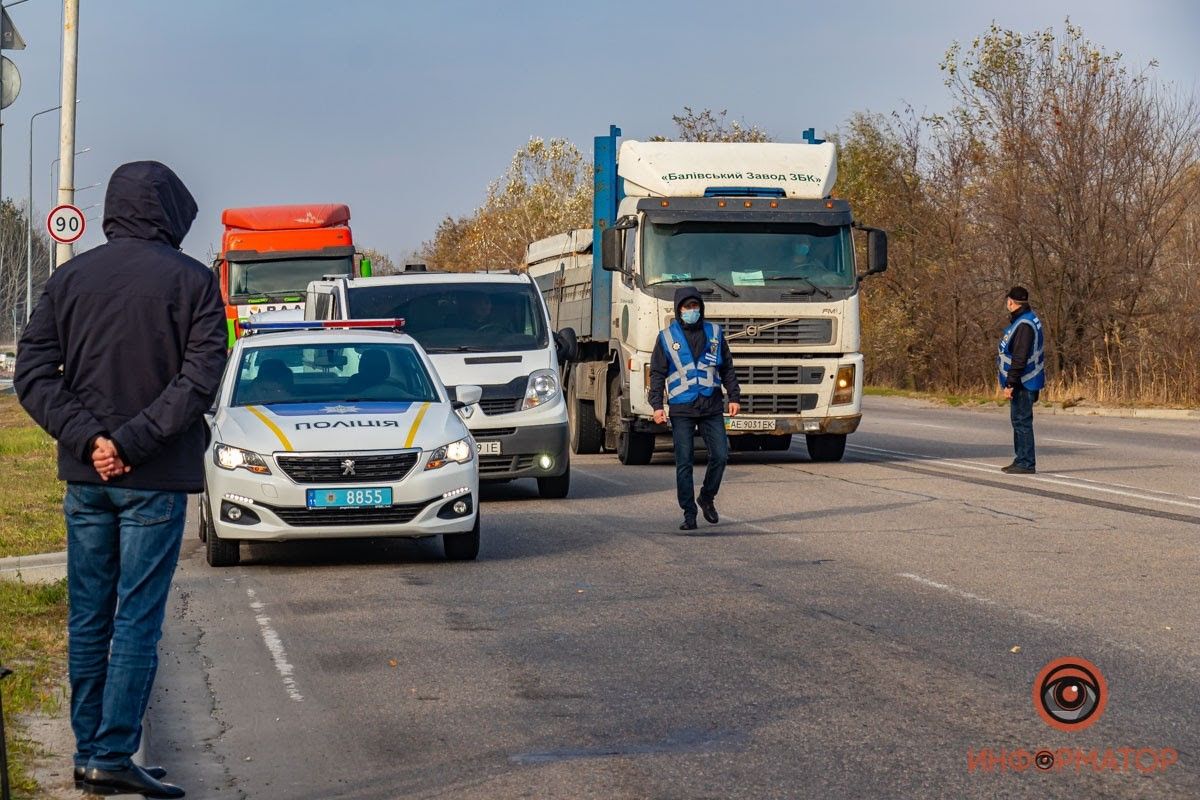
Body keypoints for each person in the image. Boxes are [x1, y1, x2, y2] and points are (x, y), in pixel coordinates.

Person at [15, 161, 227, 799]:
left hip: (88, 478)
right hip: (153, 478)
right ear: (167, 210)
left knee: (89, 616)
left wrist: (90, 440)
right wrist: (129, 442)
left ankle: (90, 752)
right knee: (135, 617)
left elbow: (32, 374)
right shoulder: (193, 282)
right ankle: (110, 753)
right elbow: (200, 377)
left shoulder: (70, 278)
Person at [649, 287, 741, 530]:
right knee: (685, 462)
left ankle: (706, 497)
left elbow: (727, 368)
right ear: (679, 310)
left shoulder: (714, 333)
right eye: (687, 307)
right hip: (682, 407)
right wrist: (657, 405)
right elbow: (657, 373)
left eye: (695, 306)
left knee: (720, 455)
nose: (692, 311)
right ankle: (689, 513)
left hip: (711, 404)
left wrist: (734, 396)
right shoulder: (667, 337)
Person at [997, 285, 1045, 475]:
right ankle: (1021, 459)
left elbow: (1020, 357)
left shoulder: (1024, 325)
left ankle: (1025, 462)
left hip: (1024, 381)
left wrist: (1010, 383)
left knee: (1021, 421)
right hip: (1027, 378)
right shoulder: (1028, 319)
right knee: (1020, 420)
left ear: (1011, 302)